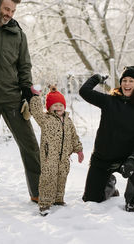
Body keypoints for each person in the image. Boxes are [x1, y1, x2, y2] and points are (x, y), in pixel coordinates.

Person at [0, 0, 40, 208]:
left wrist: (26, 89)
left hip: (12, 97)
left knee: (30, 144)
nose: (9, 14)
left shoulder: (18, 34)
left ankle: (38, 190)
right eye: (6, 9)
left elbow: (24, 65)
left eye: (13, 10)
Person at [79, 66, 134, 212]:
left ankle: (132, 201)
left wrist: (133, 159)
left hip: (126, 159)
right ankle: (110, 184)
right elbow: (84, 92)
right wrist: (96, 78)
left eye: (131, 81)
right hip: (102, 158)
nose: (127, 84)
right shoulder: (109, 101)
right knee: (91, 199)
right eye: (124, 80)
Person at [30, 85, 84, 216]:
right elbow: (36, 112)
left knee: (62, 178)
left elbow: (73, 136)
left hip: (64, 157)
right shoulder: (46, 120)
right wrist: (36, 97)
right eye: (55, 105)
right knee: (48, 179)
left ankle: (58, 199)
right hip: (49, 157)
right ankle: (44, 204)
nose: (58, 108)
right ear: (49, 108)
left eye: (61, 105)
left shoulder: (68, 121)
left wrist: (79, 150)